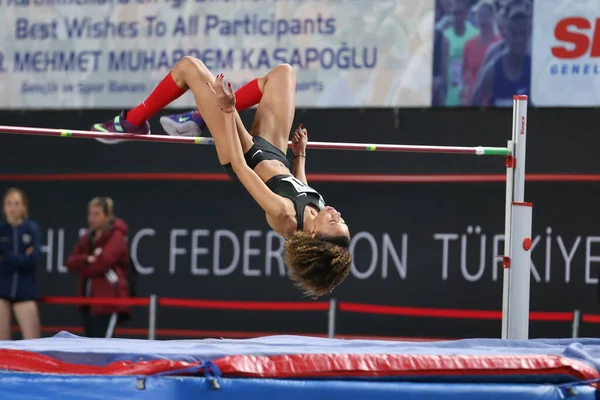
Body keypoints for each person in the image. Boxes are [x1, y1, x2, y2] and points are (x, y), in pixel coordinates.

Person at [90, 61, 352, 298]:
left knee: (189, 69)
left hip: (241, 154)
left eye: (335, 222)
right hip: (274, 152)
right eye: (341, 220)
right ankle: (196, 118)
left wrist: (228, 112)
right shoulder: (318, 212)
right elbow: (302, 187)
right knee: (283, 74)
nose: (337, 214)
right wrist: (301, 155)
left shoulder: (284, 215)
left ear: (314, 233)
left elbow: (240, 167)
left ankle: (132, 121)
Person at [65, 197, 131, 338]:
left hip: (108, 302)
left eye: (97, 214)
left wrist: (84, 267)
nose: (92, 218)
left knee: (103, 346)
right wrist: (86, 259)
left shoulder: (117, 237)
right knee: (89, 345)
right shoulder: (88, 237)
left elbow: (103, 263)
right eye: (90, 214)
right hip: (88, 302)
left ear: (107, 216)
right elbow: (70, 262)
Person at [0, 188, 42, 340]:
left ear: (24, 206)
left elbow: (32, 259)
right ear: (4, 207)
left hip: (25, 292)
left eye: (17, 203)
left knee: (33, 343)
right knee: (2, 346)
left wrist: (6, 257)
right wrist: (22, 257)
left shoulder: (32, 229)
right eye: (9, 203)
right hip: (2, 292)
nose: (13, 208)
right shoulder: (1, 230)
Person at [469, 5, 531, 106]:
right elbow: (473, 103)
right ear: (507, 35)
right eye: (514, 34)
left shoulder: (534, 70)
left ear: (528, 35)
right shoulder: (493, 69)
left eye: (522, 34)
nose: (519, 40)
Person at [441, 0, 480, 106]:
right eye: (455, 13)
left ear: (466, 13)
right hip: (450, 92)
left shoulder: (475, 34)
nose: (458, 16)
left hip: (470, 91)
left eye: (461, 12)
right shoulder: (445, 36)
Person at [460, 0, 500, 105]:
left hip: (492, 101)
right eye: (480, 16)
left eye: (487, 15)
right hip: (472, 101)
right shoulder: (469, 44)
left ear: (493, 17)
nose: (483, 20)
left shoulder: (499, 44)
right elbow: (465, 75)